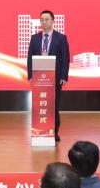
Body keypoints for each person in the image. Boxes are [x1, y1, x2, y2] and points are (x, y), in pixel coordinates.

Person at [27, 10, 70, 142]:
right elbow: (30, 58)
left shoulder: (61, 38)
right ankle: (40, 129)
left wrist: (64, 76)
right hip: (38, 78)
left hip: (55, 78)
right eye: (42, 20)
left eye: (47, 19)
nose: (44, 22)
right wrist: (30, 76)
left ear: (53, 21)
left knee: (54, 105)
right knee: (39, 105)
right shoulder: (34, 38)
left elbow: (65, 58)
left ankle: (54, 131)